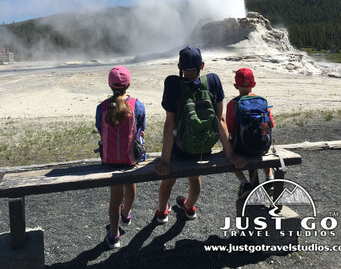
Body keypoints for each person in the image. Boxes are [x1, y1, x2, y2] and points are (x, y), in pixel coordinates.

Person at [154, 46, 244, 223]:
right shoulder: (213, 81)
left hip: (179, 149)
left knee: (169, 179)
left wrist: (165, 161)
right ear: (202, 65)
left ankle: (162, 210)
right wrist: (230, 155)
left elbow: (170, 124)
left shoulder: (172, 84)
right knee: (194, 178)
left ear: (179, 66)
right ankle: (189, 207)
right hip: (203, 147)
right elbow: (220, 120)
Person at [95, 65, 146, 249]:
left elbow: (101, 130)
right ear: (129, 84)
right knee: (130, 188)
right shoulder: (137, 105)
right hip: (130, 159)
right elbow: (141, 130)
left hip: (110, 160)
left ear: (110, 85)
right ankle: (126, 214)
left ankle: (114, 235)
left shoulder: (102, 107)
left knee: (115, 199)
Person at [226, 67, 275, 198]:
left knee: (228, 153)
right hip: (262, 147)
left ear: (236, 85)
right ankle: (270, 179)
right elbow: (270, 125)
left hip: (241, 148)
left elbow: (230, 129)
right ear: (253, 84)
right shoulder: (262, 102)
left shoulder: (232, 104)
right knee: (263, 145)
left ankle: (244, 182)